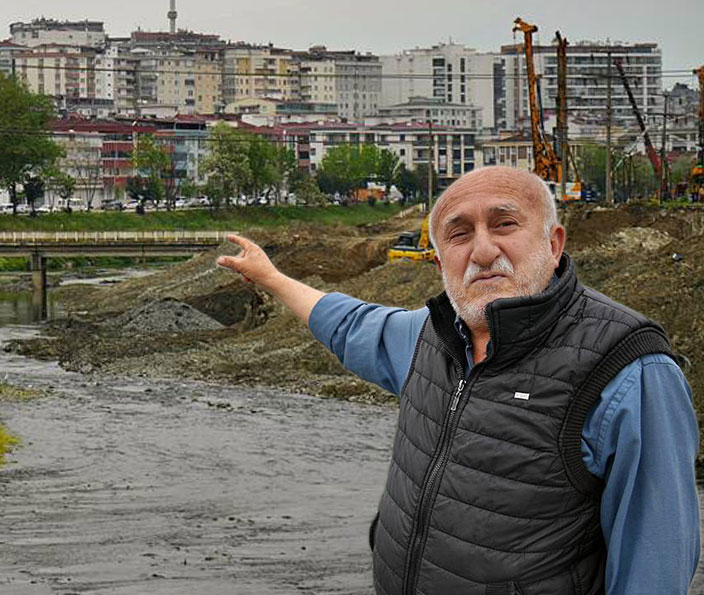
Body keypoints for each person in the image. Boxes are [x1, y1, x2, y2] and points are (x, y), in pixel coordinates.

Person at [216, 166, 699, 595]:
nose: (483, 251)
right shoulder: (427, 337)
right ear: (439, 260)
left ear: (554, 245)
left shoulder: (629, 371)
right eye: (459, 234)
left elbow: (655, 566)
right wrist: (271, 278)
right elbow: (347, 324)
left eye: (504, 224)